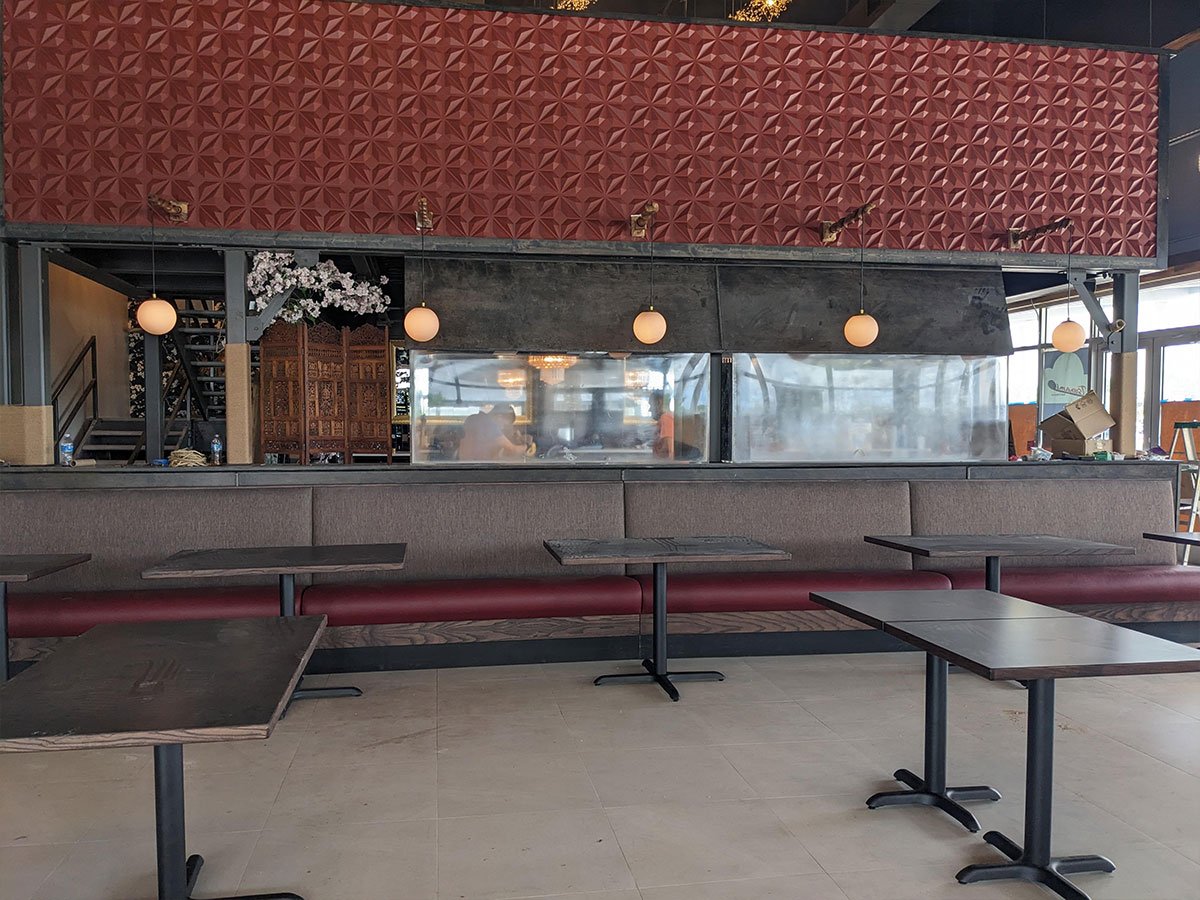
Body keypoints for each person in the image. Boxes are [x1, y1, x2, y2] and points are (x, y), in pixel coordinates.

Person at [458, 404, 531, 461]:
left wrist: (516, 439)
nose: (502, 427)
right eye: (504, 424)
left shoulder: (474, 418)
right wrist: (527, 445)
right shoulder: (488, 424)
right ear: (499, 417)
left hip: (465, 462)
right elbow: (513, 450)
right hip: (475, 464)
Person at [650, 392, 675, 459]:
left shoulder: (666, 418)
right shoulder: (667, 418)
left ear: (659, 403)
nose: (649, 410)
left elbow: (671, 452)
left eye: (651, 405)